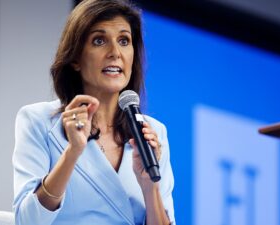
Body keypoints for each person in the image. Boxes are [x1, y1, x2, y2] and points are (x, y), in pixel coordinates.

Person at [12, 0, 175, 224]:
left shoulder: (153, 132)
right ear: (76, 58)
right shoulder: (38, 120)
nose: (115, 52)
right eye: (99, 40)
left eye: (124, 41)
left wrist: (149, 185)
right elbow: (27, 220)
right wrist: (72, 152)